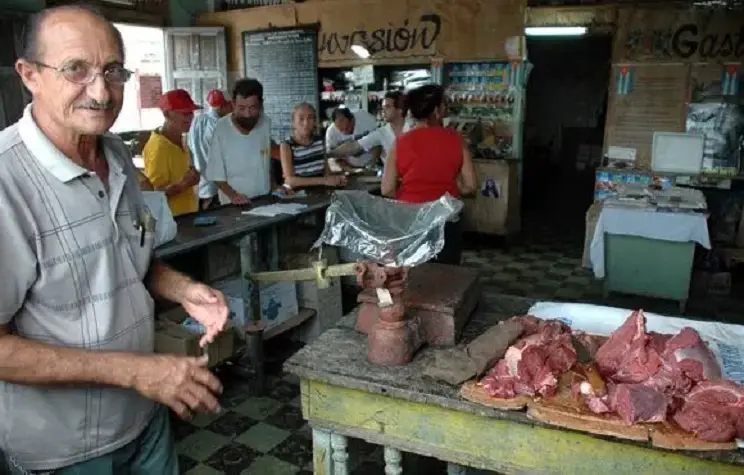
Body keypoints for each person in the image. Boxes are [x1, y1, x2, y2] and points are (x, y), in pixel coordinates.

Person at [0, 5, 229, 474]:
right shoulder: (6, 184)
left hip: (144, 420)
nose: (101, 92)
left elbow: (130, 258)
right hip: (66, 450)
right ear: (30, 75)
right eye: (75, 70)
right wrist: (138, 370)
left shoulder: (116, 154)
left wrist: (185, 291)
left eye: (112, 71)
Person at [381, 84, 476, 265]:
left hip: (410, 220)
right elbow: (470, 186)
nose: (445, 108)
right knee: (445, 276)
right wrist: (450, 183)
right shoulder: (456, 139)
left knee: (413, 274)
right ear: (436, 110)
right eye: (443, 105)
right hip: (446, 220)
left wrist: (408, 194)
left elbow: (386, 189)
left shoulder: (400, 142)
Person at [205, 78, 274, 205]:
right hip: (234, 205)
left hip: (264, 200)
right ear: (233, 104)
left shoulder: (266, 123)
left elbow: (266, 163)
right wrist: (234, 196)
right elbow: (216, 174)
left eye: (252, 108)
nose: (247, 114)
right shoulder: (221, 128)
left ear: (261, 104)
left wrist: (275, 186)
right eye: (241, 108)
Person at [143, 89, 200, 216]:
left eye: (191, 112)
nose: (190, 118)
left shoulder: (181, 139)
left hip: (187, 216)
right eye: (184, 113)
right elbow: (152, 195)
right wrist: (183, 185)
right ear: (167, 113)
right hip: (170, 222)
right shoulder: (158, 148)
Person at [327, 91, 410, 164]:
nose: (383, 111)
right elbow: (354, 147)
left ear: (400, 110)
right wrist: (328, 154)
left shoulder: (414, 128)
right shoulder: (382, 133)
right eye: (382, 108)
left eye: (387, 107)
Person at [280, 102, 347, 190]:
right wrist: (324, 181)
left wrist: (336, 180)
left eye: (310, 118)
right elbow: (289, 181)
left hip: (323, 192)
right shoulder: (287, 145)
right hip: (300, 196)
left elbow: (327, 172)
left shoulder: (319, 141)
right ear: (293, 122)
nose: (306, 123)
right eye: (301, 118)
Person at [187, 89, 232, 210]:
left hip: (197, 183)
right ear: (224, 106)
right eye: (230, 105)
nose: (232, 109)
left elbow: (187, 145)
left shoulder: (196, 120)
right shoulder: (221, 126)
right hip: (216, 185)